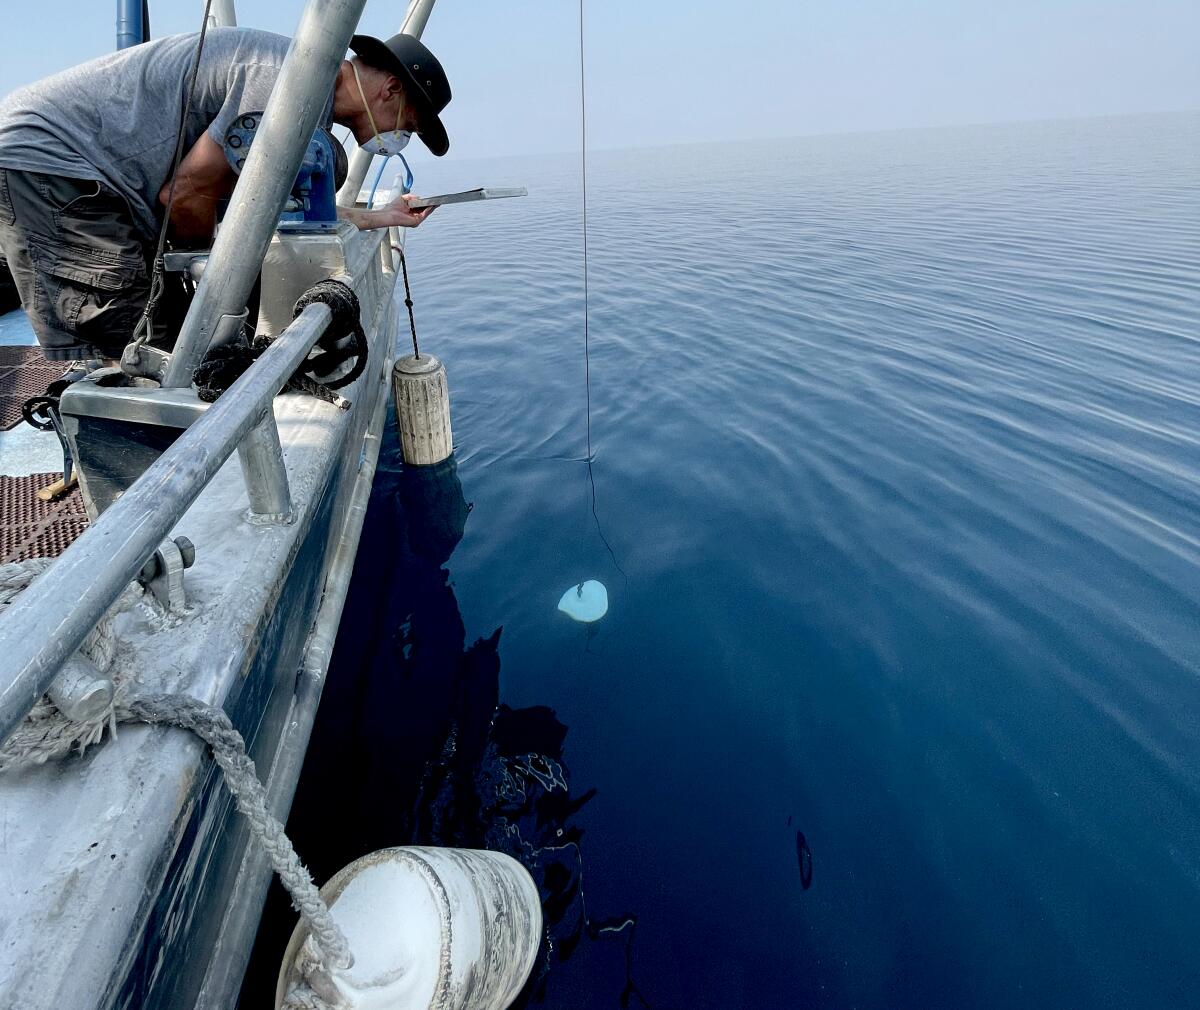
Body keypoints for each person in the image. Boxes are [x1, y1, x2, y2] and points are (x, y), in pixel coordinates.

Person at [0, 27, 452, 362]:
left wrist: (386, 215)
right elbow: (184, 194)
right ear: (390, 90)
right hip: (51, 163)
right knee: (138, 335)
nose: (399, 138)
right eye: (407, 126)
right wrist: (209, 278)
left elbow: (269, 208)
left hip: (87, 172)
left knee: (167, 330)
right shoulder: (284, 85)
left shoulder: (307, 93)